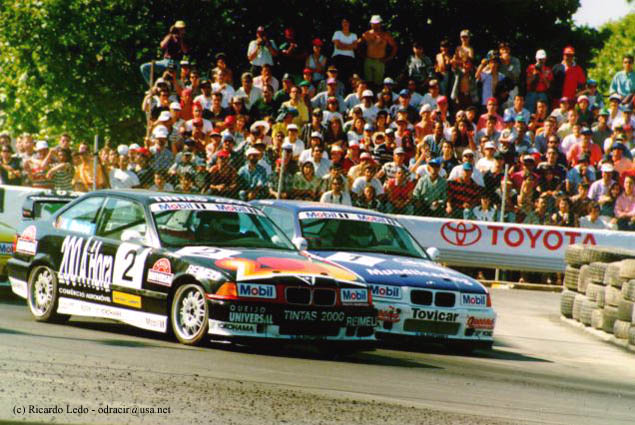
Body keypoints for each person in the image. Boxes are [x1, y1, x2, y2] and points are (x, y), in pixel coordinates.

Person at [140, 21, 189, 85]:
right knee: (144, 67)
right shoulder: (169, 36)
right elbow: (162, 45)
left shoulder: (184, 39)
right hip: (165, 61)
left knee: (172, 76)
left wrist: (181, 38)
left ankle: (173, 87)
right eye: (178, 29)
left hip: (176, 62)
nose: (180, 30)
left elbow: (185, 51)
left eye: (181, 29)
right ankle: (154, 87)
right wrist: (170, 34)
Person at [361, 15, 397, 87]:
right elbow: (358, 44)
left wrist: (388, 58)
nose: (375, 25)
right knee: (368, 83)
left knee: (378, 83)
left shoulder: (385, 35)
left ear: (380, 24)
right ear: (371, 24)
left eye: (377, 24)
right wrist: (362, 55)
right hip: (368, 60)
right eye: (373, 24)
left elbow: (394, 46)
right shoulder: (366, 34)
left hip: (380, 61)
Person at [331, 17, 360, 89]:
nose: (345, 24)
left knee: (349, 78)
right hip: (338, 58)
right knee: (338, 77)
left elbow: (355, 46)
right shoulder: (337, 33)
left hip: (350, 59)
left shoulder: (354, 35)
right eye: (344, 22)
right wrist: (349, 46)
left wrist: (343, 45)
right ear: (341, 24)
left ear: (349, 24)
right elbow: (338, 46)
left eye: (347, 22)